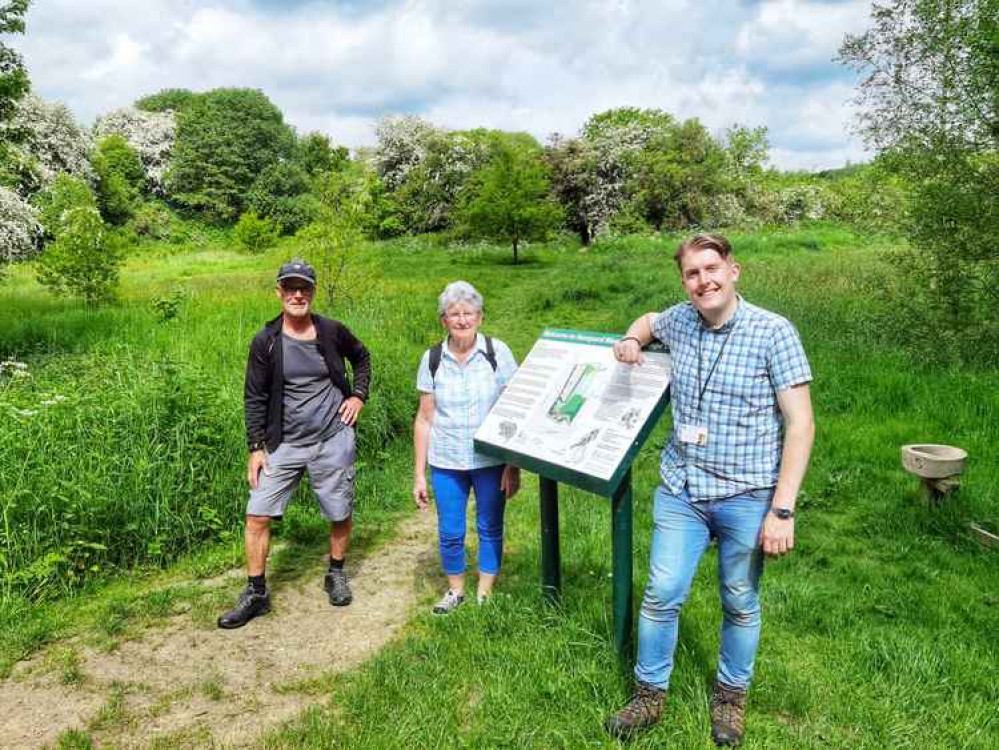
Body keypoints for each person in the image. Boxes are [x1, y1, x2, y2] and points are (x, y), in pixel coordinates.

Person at [605, 234, 814, 746]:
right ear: (685, 282)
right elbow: (650, 321)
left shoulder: (773, 333)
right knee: (661, 594)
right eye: (693, 274)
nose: (704, 281)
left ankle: (730, 699)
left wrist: (781, 510)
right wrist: (633, 339)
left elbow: (801, 423)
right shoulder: (679, 319)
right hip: (683, 490)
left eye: (712, 269)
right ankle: (649, 695)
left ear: (733, 270)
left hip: (748, 494)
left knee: (740, 600)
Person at [218, 258, 371, 629]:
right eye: (290, 287)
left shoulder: (332, 331)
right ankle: (256, 593)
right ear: (279, 292)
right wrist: (256, 447)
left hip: (332, 438)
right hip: (282, 443)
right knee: (257, 514)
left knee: (338, 510)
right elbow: (254, 396)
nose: (297, 294)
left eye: (304, 288)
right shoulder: (266, 341)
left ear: (313, 292)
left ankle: (335, 572)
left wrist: (358, 396)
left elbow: (362, 357)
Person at [412, 281, 521, 614]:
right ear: (443, 320)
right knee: (450, 530)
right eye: (454, 314)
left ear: (480, 316)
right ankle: (456, 590)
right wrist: (419, 473)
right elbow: (424, 420)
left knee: (490, 525)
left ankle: (485, 593)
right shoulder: (432, 358)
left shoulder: (497, 353)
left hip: (489, 459)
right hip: (446, 460)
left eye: (468, 313)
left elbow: (514, 410)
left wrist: (512, 464)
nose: (462, 320)